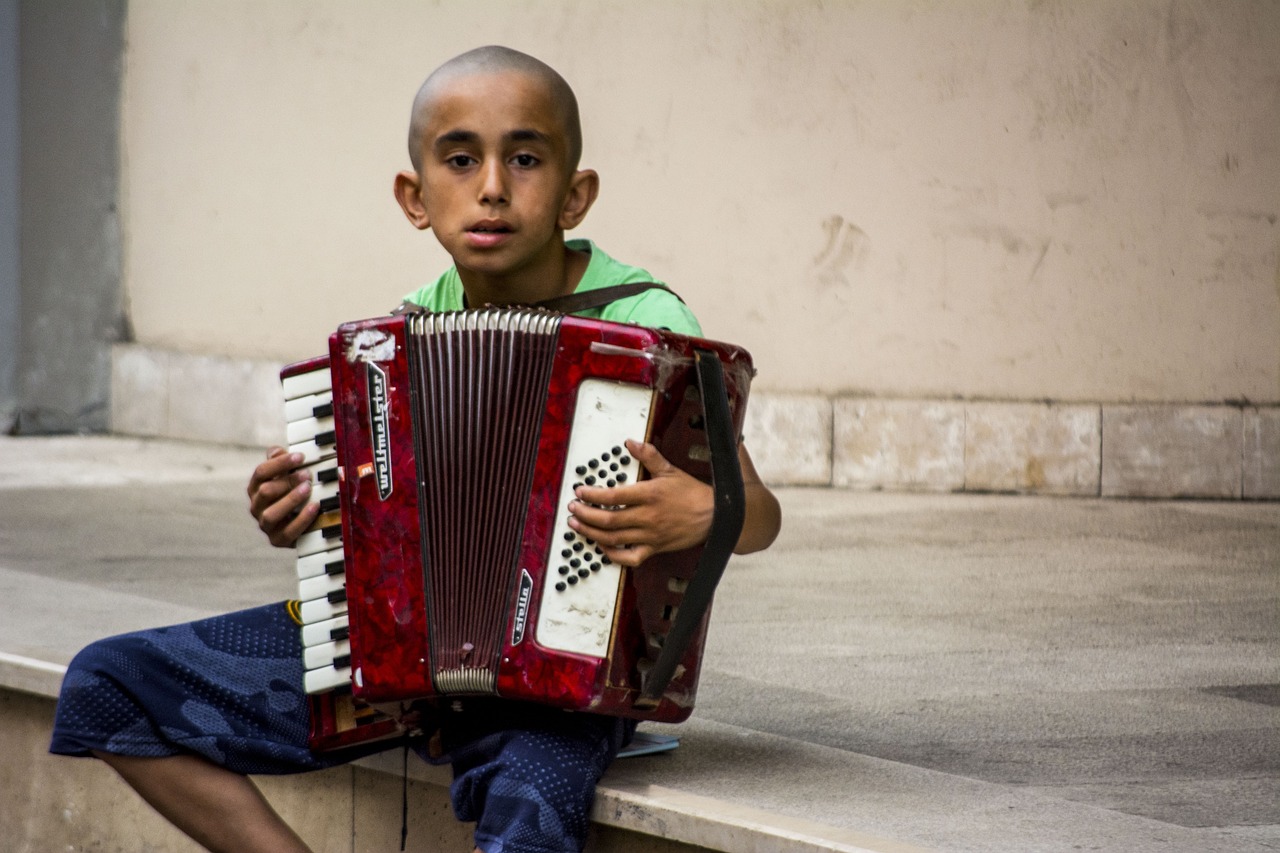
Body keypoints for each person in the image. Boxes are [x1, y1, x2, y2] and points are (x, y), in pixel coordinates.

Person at [49, 45, 782, 853]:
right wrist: (303, 504)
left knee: (532, 800)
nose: (493, 186)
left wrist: (705, 510)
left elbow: (758, 513)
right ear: (415, 197)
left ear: (576, 196)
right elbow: (371, 526)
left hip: (569, 684)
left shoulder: (649, 323)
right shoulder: (403, 332)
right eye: (460, 159)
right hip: (408, 668)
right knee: (105, 684)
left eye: (526, 158)